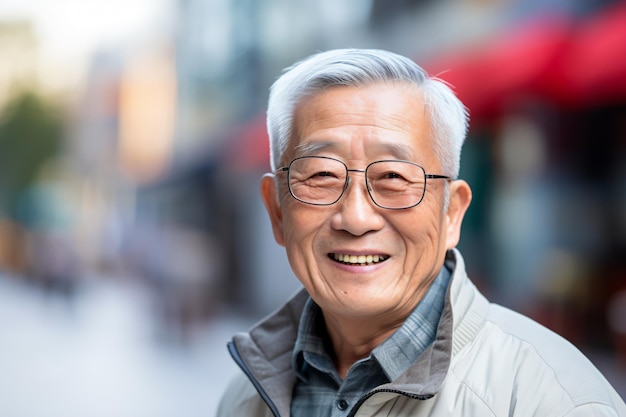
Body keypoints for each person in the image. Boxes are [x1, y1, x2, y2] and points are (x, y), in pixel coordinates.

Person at [216, 49, 626, 416]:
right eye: (321, 175)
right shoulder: (246, 397)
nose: (356, 218)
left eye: (394, 176)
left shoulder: (550, 401)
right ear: (276, 211)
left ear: (452, 214)